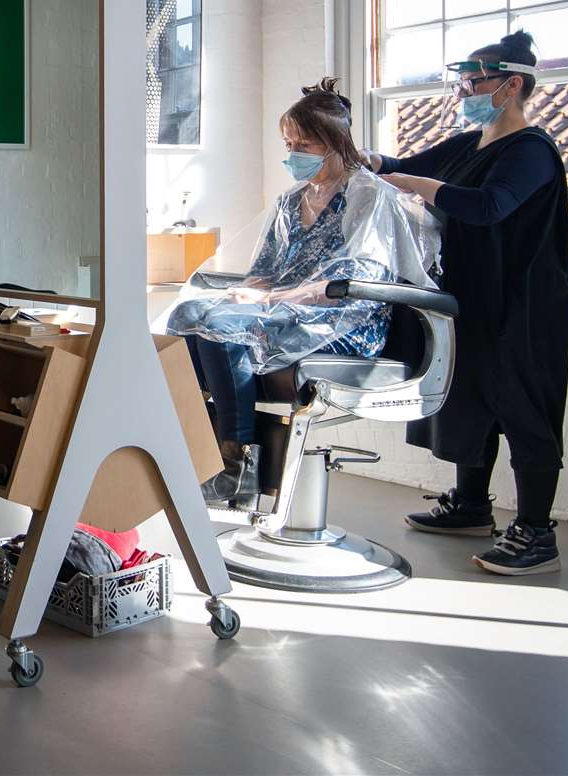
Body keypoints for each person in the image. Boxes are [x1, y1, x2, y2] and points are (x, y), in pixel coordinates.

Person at [168, 79, 439, 507]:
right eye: (288, 142)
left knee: (221, 328)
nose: (293, 153)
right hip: (282, 315)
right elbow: (263, 272)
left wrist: (270, 300)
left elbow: (351, 283)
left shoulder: (368, 197)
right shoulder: (290, 202)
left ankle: (236, 463)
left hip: (344, 323)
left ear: (336, 142)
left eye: (305, 144)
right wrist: (244, 292)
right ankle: (210, 452)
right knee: (186, 317)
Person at [367, 31, 568, 576]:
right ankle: (471, 506)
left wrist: (409, 180)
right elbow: (400, 162)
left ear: (511, 85)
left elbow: (488, 207)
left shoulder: (531, 151)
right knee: (470, 397)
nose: (464, 91)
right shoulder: (470, 143)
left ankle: (535, 533)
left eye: (474, 81)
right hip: (471, 298)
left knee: (524, 407)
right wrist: (364, 158)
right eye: (462, 81)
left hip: (524, 305)